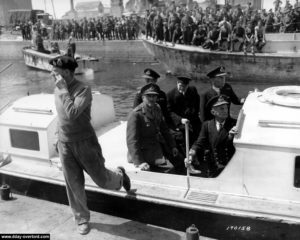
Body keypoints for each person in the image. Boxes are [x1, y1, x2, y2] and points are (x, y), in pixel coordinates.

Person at [49, 55, 131, 235]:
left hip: (85, 142)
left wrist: (62, 89)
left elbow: (72, 113)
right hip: (65, 144)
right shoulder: (58, 88)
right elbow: (61, 116)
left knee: (102, 180)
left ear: (68, 73)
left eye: (56, 73)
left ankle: (119, 176)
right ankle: (82, 218)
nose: (52, 75)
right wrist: (57, 137)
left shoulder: (83, 90)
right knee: (73, 183)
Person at [127, 83, 184, 173]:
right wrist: (139, 162)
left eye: (154, 96)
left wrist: (173, 146)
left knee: (180, 160)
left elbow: (164, 129)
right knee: (169, 169)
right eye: (149, 96)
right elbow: (132, 141)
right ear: (143, 97)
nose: (152, 99)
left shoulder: (157, 108)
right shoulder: (136, 114)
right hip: (144, 151)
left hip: (157, 144)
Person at [187, 95, 238, 177]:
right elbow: (200, 142)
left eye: (226, 108)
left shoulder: (235, 124)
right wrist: (192, 152)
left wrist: (231, 137)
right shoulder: (207, 125)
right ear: (213, 112)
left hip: (230, 167)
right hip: (213, 167)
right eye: (221, 108)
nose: (225, 111)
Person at [167, 76, 201, 164]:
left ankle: (195, 154)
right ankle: (187, 159)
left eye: (184, 86)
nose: (182, 88)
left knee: (200, 132)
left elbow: (197, 105)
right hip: (179, 121)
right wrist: (180, 120)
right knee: (182, 136)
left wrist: (193, 114)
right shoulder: (170, 95)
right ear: (177, 84)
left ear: (187, 86)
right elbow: (170, 112)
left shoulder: (192, 90)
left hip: (192, 118)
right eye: (180, 85)